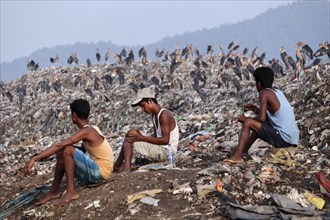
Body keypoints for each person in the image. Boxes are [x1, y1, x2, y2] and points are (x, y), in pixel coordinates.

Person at [24, 99, 114, 205]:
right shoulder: (92, 129)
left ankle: (71, 192)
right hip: (99, 171)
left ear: (74, 115)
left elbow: (60, 145)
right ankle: (53, 191)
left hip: (101, 173)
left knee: (66, 149)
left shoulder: (87, 131)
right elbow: (82, 151)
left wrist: (35, 158)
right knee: (64, 151)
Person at [225, 67, 299, 164]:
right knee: (258, 126)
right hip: (292, 139)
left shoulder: (264, 93)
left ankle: (237, 157)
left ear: (259, 83)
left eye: (256, 82)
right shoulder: (277, 92)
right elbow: (271, 115)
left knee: (248, 123)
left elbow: (262, 118)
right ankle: (244, 151)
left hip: (283, 138)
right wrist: (254, 108)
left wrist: (245, 119)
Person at [113, 86, 179, 173]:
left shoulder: (164, 115)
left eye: (143, 105)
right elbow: (156, 137)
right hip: (161, 149)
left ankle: (125, 168)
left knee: (130, 139)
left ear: (150, 101)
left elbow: (165, 140)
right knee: (132, 133)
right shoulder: (155, 115)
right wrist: (140, 137)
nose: (142, 109)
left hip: (167, 152)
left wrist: (141, 138)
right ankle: (118, 165)